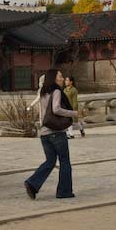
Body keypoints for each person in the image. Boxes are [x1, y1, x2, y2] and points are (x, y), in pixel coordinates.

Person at [24, 69, 78, 200]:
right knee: (64, 161)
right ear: (54, 78)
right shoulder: (57, 91)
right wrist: (74, 113)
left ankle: (32, 183)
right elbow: (56, 109)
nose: (62, 78)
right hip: (56, 132)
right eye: (60, 76)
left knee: (50, 161)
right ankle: (64, 191)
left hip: (44, 133)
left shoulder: (43, 92)